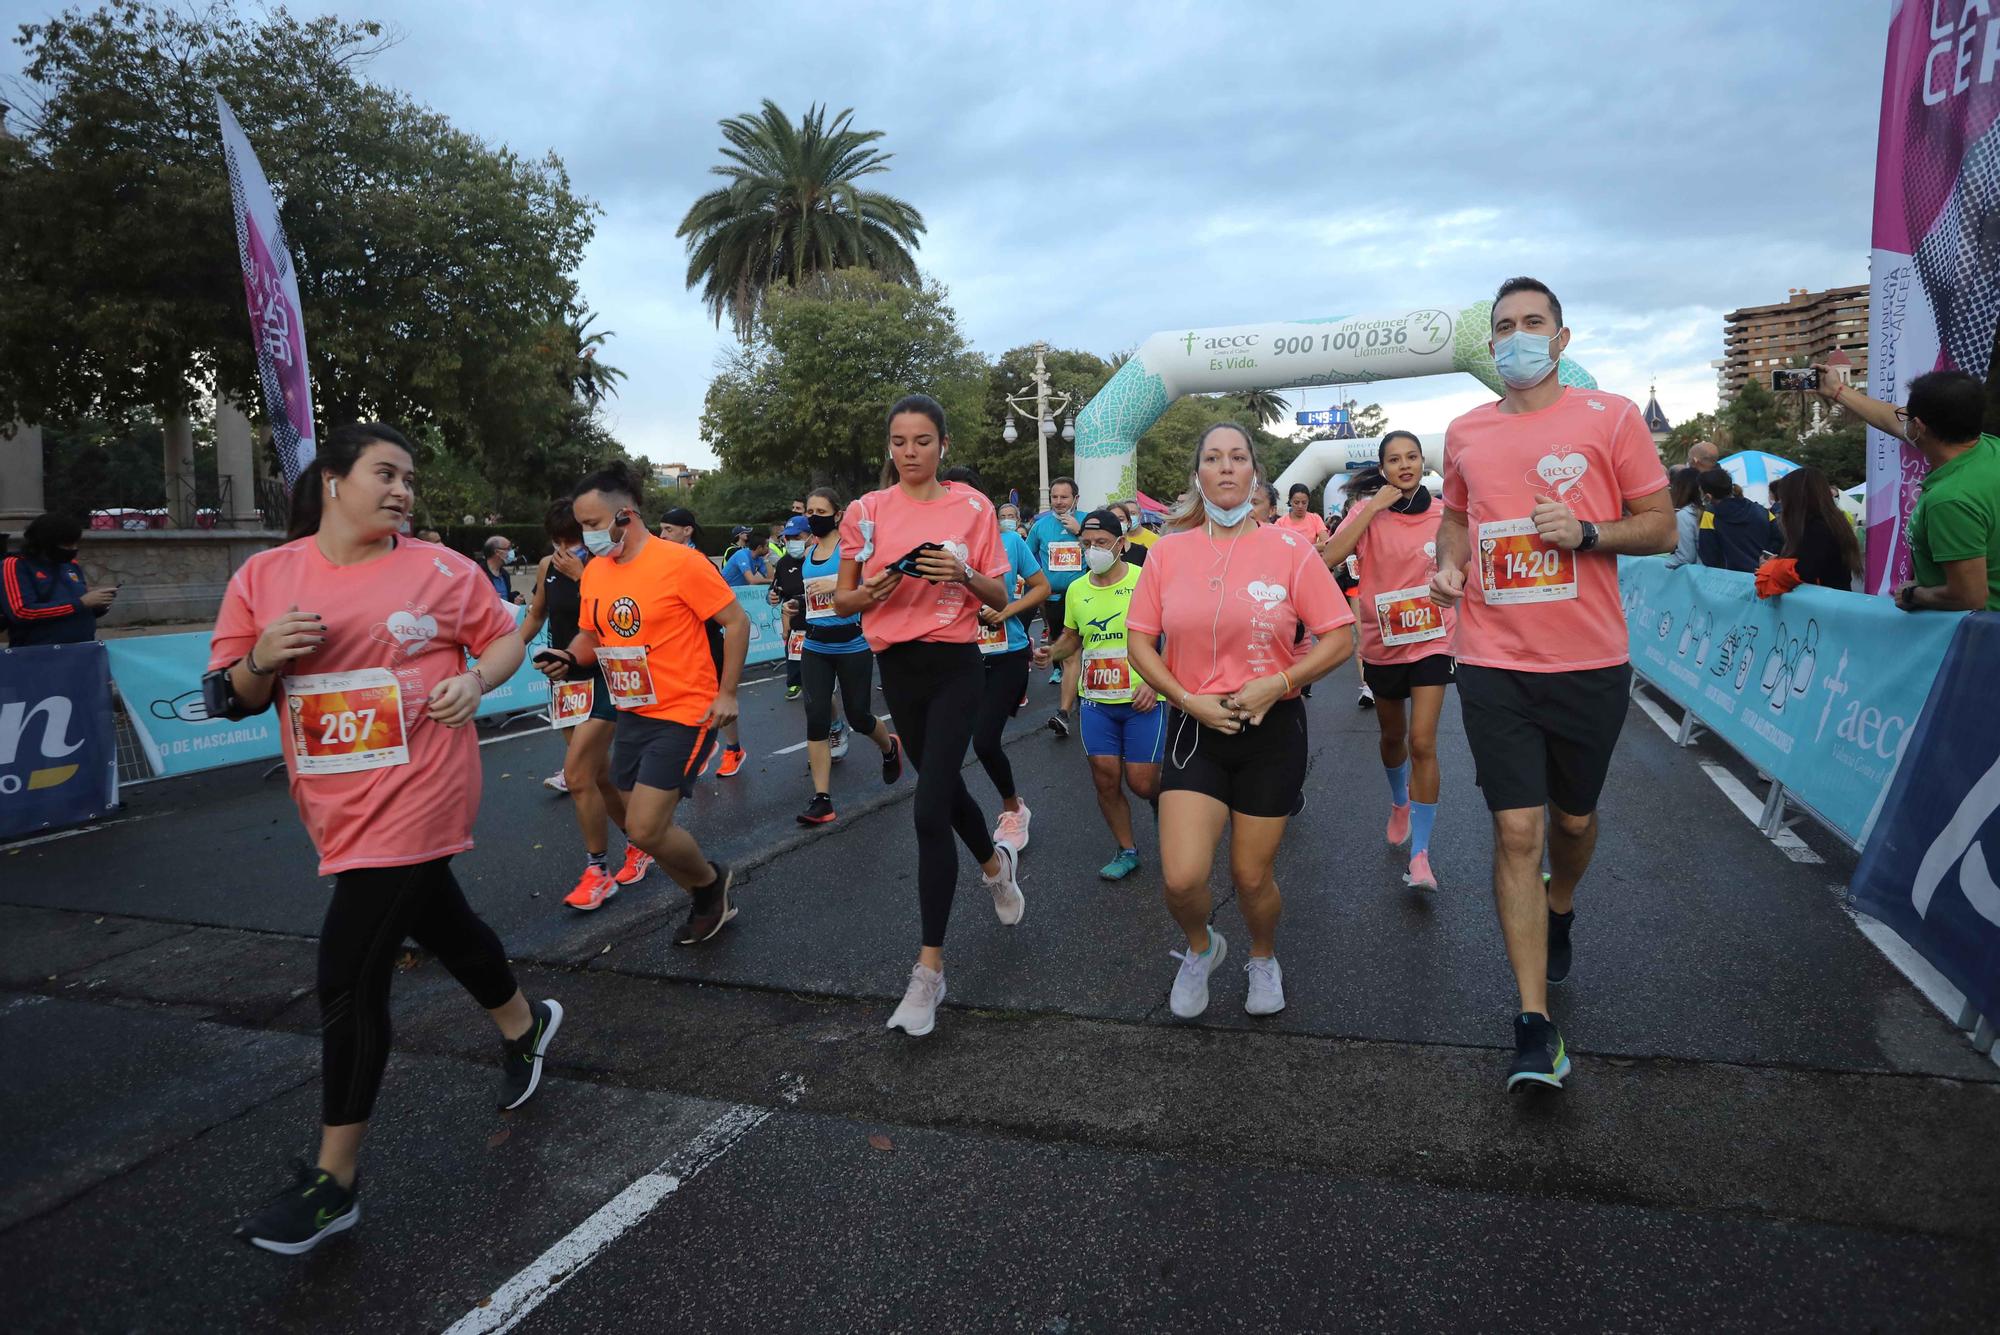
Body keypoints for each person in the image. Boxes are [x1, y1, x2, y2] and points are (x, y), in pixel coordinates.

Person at [213, 424, 559, 1254]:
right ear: (333, 479)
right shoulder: (265, 576)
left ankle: (335, 1183)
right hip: (336, 802)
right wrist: (262, 656)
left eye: (409, 478)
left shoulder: (442, 570)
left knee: (349, 973)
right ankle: (523, 1025)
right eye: (385, 473)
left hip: (423, 788)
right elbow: (233, 696)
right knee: (440, 921)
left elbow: (509, 636)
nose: (403, 490)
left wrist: (475, 679)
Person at [1429, 276, 1674, 1093]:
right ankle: (1534, 1026)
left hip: (1588, 663)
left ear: (1561, 339)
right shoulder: (1463, 430)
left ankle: (1561, 903)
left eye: (1533, 323)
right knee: (1516, 833)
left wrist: (1589, 531)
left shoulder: (1611, 418)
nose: (1517, 336)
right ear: (1490, 344)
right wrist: (1450, 563)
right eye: (1504, 326)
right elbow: (1456, 516)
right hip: (1493, 662)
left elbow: (1661, 524)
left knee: (1571, 821)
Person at [1127, 424, 1354, 1019]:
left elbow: (1339, 637)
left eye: (1237, 458)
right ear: (1197, 475)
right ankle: (1202, 947)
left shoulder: (1289, 549)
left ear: (1255, 474)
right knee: (1180, 879)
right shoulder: (1168, 552)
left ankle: (1262, 955)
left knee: (1251, 877)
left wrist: (1279, 682)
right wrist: (1185, 697)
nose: (1225, 468)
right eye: (1212, 458)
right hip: (1193, 727)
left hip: (1271, 732)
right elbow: (1139, 642)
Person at [834, 394, 1026, 1037]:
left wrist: (964, 571)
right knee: (945, 796)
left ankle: (928, 974)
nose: (909, 452)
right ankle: (997, 868)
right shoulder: (867, 510)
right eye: (898, 441)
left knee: (926, 808)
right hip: (899, 668)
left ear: (943, 444)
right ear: (887, 446)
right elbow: (843, 601)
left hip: (956, 663)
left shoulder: (971, 507)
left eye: (922, 440)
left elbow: (1003, 594)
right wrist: (877, 588)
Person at [547, 463, 747, 945]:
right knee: (643, 833)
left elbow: (736, 623)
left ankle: (708, 883)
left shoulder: (680, 562)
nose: (585, 538)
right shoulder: (595, 572)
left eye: (592, 525)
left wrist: (727, 693)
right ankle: (706, 891)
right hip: (632, 708)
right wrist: (568, 656)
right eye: (581, 527)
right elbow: (594, 633)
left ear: (625, 515)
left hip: (685, 710)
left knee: (644, 825)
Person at [1324, 432, 1456, 891]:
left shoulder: (1444, 513)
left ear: (1424, 463)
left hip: (1434, 640)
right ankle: (1400, 801)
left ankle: (1420, 856)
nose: (1405, 465)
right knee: (1393, 736)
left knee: (1423, 742)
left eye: (1413, 457)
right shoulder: (1367, 514)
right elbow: (1328, 559)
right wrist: (1372, 509)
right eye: (1395, 459)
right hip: (1383, 643)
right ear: (1382, 468)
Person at [520, 500, 653, 908]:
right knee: (597, 777)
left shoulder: (609, 565)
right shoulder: (547, 567)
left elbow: (622, 620)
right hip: (565, 680)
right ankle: (640, 842)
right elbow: (536, 616)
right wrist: (498, 656)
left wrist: (583, 577)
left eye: (573, 540)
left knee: (577, 774)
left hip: (607, 677)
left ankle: (598, 870)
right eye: (557, 541)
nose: (565, 549)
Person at [1037, 508, 1163, 880]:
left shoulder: (1146, 580)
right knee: (1105, 778)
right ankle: (1127, 850)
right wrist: (1052, 653)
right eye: (1087, 544)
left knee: (1142, 782)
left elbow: (1175, 633)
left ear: (1121, 545)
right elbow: (1073, 637)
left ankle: (1166, 801)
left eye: (1102, 543)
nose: (1093, 550)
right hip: (1096, 700)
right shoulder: (1077, 589)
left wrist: (1155, 681)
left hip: (1142, 698)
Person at [1812, 364, 2000, 610]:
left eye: (1907, 418)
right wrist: (1838, 390)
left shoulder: (1950, 500)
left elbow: (1969, 596)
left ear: (1919, 427)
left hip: (1973, 639)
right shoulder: (1989, 448)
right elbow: (1891, 418)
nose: (1902, 421)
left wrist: (1913, 594)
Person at [946, 467, 1050, 852]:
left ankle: (1013, 808)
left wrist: (1006, 611)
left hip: (1007, 653)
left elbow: (1041, 587)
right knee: (946, 745)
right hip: (960, 657)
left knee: (985, 740)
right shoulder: (943, 546)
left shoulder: (1009, 541)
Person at [795, 487, 903, 825]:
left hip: (852, 644)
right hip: (815, 645)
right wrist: (794, 604)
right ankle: (822, 799)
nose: (812, 516)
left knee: (859, 717)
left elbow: (875, 591)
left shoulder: (852, 551)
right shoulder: (809, 552)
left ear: (838, 514)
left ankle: (889, 748)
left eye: (820, 510)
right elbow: (814, 601)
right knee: (816, 717)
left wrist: (838, 590)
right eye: (809, 510)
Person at [654, 507, 748, 778]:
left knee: (720, 698)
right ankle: (703, 746)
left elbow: (727, 611)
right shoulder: (663, 563)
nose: (662, 535)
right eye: (661, 529)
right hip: (679, 647)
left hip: (708, 642)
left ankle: (734, 749)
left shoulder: (700, 563)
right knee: (689, 700)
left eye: (668, 530)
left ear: (687, 530)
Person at [1026, 476, 1085, 732]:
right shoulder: (1040, 527)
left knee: (1084, 651)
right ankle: (1066, 709)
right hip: (1055, 599)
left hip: (1085, 597)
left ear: (1075, 499)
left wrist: (1079, 531)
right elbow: (1026, 557)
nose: (1059, 502)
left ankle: (1079, 701)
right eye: (1055, 497)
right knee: (1068, 652)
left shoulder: (1088, 520)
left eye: (1064, 497)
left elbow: (1109, 550)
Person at [3, 513, 115, 644]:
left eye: (75, 544)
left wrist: (98, 604)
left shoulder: (71, 564)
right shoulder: (16, 565)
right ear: (46, 543)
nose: (74, 549)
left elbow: (78, 607)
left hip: (83, 648)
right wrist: (81, 603)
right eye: (67, 545)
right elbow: (22, 612)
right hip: (38, 652)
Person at [1768, 466, 1861, 590]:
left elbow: (1803, 573)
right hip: (1833, 600)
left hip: (1822, 604)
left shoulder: (1815, 529)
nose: (1782, 503)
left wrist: (1772, 567)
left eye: (1783, 497)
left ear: (1795, 498)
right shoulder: (1833, 522)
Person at [1332, 477, 1375, 709]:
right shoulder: (1346, 524)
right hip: (1357, 586)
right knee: (1363, 636)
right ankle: (1368, 685)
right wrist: (1340, 562)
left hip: (1386, 588)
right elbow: (1332, 550)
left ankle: (1387, 678)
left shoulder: (1386, 520)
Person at [1696, 467, 1782, 572]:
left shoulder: (1710, 515)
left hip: (1730, 580)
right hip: (1763, 576)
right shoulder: (1763, 511)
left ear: (1708, 496)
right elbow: (1779, 541)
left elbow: (1708, 556)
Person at [770, 515, 810, 700]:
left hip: (818, 616)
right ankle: (794, 684)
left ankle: (826, 678)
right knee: (794, 654)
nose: (792, 542)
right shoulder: (784, 563)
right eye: (789, 538)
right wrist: (772, 595)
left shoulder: (816, 558)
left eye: (797, 537)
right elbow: (775, 588)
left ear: (809, 536)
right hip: (794, 617)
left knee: (819, 655)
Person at [1663, 467, 1705, 570]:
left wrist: (1661, 564)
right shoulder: (1705, 511)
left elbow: (1685, 557)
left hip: (1697, 577)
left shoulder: (1684, 516)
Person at [1276, 483, 1330, 547]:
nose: (1300, 506)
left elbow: (1326, 543)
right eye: (1296, 503)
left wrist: (1306, 548)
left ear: (1308, 502)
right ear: (1290, 501)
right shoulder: (1280, 523)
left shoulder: (1315, 519)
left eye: (1304, 503)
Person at [481, 535, 523, 605]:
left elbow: (506, 600)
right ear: (497, 552)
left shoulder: (505, 574)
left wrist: (514, 601)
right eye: (508, 549)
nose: (511, 552)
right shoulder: (479, 574)